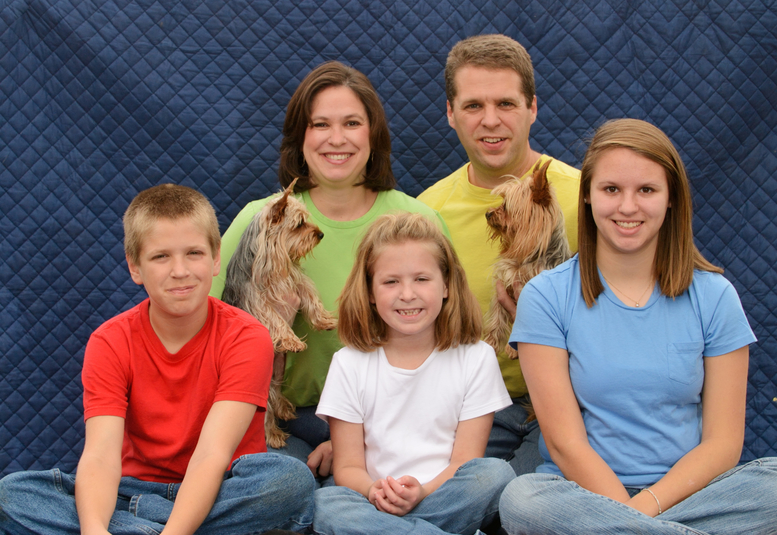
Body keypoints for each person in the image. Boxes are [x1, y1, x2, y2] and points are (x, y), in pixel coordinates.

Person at [500, 119, 777, 534]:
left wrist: (638, 516)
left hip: (691, 496)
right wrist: (624, 513)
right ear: (586, 196)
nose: (627, 207)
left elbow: (723, 444)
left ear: (671, 197)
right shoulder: (546, 297)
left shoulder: (715, 296)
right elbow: (567, 446)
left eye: (646, 190)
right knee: (522, 500)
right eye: (611, 190)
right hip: (581, 497)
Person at [0, 184, 314, 534]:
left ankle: (140, 526)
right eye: (161, 257)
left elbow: (213, 454)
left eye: (193, 253)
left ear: (215, 260)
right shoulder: (109, 341)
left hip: (224, 484)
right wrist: (93, 530)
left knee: (290, 481)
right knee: (12, 494)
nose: (179, 271)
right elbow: (101, 456)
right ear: (135, 268)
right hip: (132, 488)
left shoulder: (247, 336)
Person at [209, 61, 447, 481]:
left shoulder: (418, 221)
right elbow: (204, 335)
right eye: (321, 124)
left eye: (352, 123)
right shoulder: (257, 222)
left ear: (372, 134)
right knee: (283, 488)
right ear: (300, 137)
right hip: (283, 421)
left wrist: (354, 438)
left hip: (396, 420)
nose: (336, 139)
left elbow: (448, 346)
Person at [418, 33, 581, 476]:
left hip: (574, 406)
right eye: (473, 106)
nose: (491, 121)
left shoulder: (589, 197)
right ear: (451, 114)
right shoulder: (426, 213)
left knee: (526, 503)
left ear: (532, 107)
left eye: (506, 104)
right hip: (462, 412)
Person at [313, 212, 515, 535]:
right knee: (328, 505)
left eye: (422, 279)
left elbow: (465, 462)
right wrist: (373, 490)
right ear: (369, 291)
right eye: (391, 281)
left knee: (495, 475)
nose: (407, 294)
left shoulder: (477, 358)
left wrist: (421, 492)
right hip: (372, 504)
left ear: (447, 285)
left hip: (442, 496)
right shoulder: (348, 363)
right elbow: (348, 468)